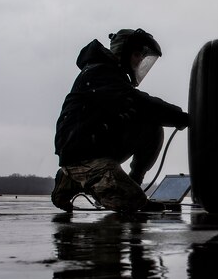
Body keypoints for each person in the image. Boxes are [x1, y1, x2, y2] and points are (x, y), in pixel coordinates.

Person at [51, 28, 188, 213]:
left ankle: (125, 183)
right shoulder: (100, 72)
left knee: (151, 127)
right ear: (123, 52)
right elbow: (140, 103)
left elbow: (139, 109)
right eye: (138, 54)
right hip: (82, 153)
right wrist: (180, 117)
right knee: (133, 203)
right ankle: (72, 179)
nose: (140, 60)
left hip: (96, 145)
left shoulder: (112, 76)